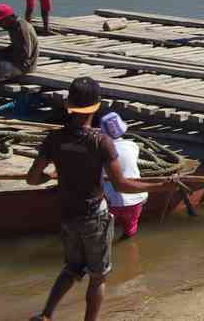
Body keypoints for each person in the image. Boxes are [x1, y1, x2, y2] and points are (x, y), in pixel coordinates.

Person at [27, 77, 170, 321]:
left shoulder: (54, 139)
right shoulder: (101, 142)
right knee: (98, 275)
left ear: (69, 105)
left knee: (71, 268)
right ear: (97, 106)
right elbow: (121, 185)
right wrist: (160, 187)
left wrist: (49, 176)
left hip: (68, 216)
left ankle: (46, 315)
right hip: (94, 216)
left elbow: (32, 179)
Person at [99, 112, 147, 240]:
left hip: (111, 201)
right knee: (130, 227)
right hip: (136, 198)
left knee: (104, 229)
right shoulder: (133, 146)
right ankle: (128, 236)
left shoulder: (100, 149)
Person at [0, 3, 39, 89]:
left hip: (24, 66)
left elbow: (24, 55)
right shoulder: (12, 26)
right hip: (17, 62)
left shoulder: (21, 28)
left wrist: (3, 57)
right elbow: (15, 47)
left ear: (8, 18)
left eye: (0, 21)